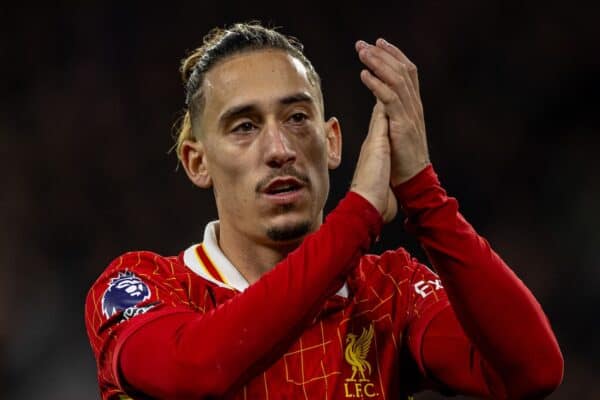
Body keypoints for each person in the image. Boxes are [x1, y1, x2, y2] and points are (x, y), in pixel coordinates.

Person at [85, 22, 563, 399]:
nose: (279, 149)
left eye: (296, 118)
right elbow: (195, 372)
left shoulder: (387, 294)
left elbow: (532, 372)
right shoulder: (144, 284)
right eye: (244, 126)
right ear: (197, 161)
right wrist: (358, 218)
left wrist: (423, 192)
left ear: (332, 141)